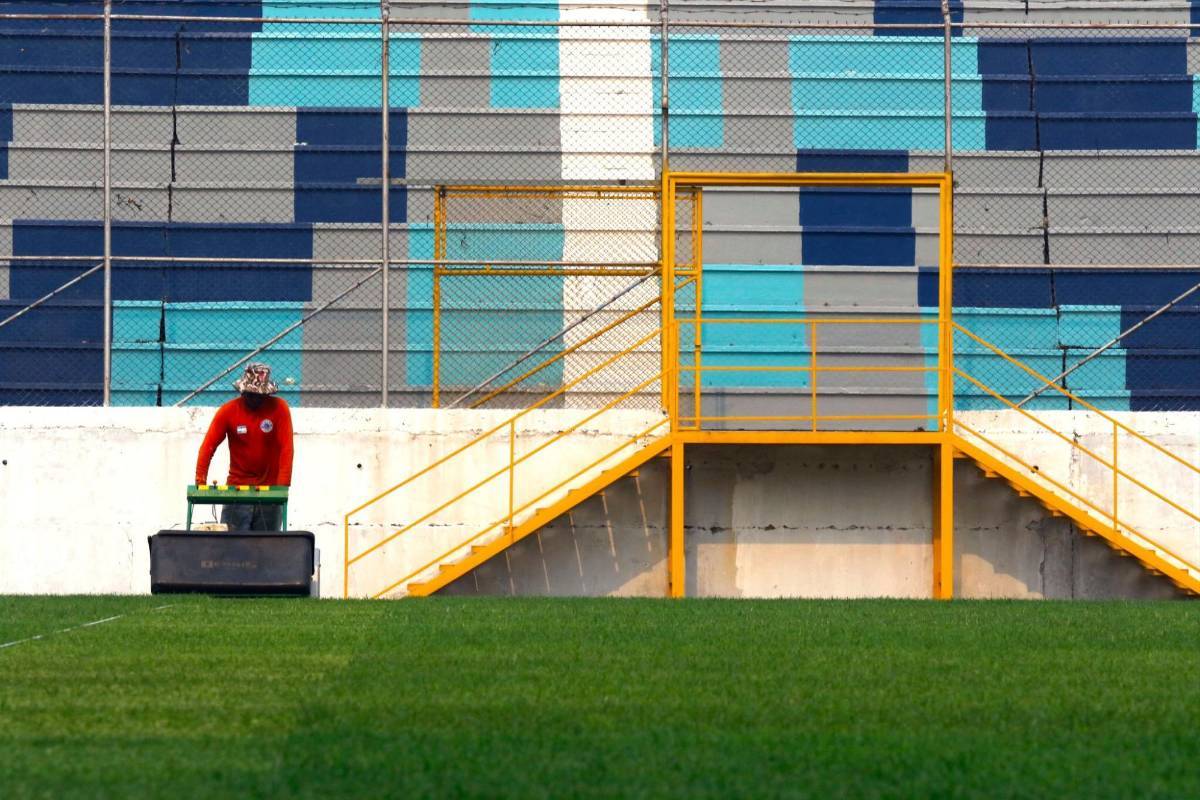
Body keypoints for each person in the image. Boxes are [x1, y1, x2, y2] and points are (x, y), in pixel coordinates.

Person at [195, 362, 294, 531]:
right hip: (236, 491)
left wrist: (281, 489)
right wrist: (200, 481)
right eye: (250, 394)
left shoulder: (279, 409)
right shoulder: (228, 411)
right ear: (243, 391)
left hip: (269, 492)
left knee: (268, 544)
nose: (255, 399)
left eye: (259, 395)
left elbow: (287, 448)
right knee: (230, 544)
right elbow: (208, 447)